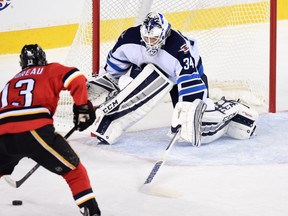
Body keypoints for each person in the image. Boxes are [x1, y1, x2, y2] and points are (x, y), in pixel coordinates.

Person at [88, 12, 258, 146]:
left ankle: (229, 113)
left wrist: (187, 115)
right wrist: (106, 85)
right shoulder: (129, 38)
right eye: (146, 39)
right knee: (127, 85)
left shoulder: (179, 48)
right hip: (149, 70)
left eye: (154, 39)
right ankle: (113, 124)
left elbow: (191, 82)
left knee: (193, 129)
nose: (150, 43)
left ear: (164, 34)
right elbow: (114, 69)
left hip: (184, 78)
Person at [0, 44, 101, 216]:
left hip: (2, 135)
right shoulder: (49, 70)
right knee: (74, 172)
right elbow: (75, 77)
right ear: (42, 59)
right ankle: (92, 213)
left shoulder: (10, 82)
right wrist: (82, 108)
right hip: (34, 130)